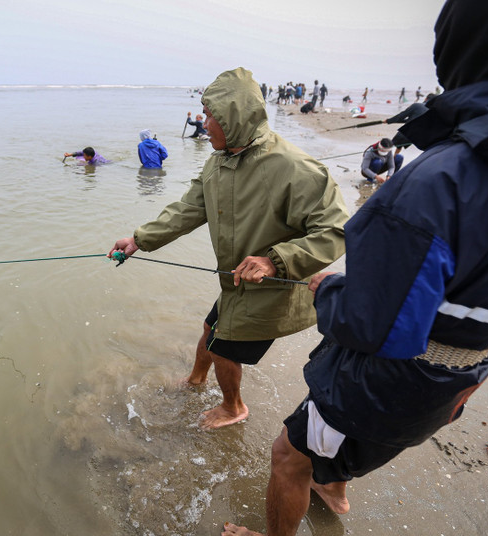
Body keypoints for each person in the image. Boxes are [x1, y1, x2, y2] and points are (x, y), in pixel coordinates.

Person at [223, 0, 488, 534]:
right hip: (462, 379)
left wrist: (328, 292)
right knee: (345, 449)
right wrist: (478, 310)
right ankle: (335, 495)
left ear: (468, 40)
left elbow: (375, 329)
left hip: (387, 383)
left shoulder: (439, 184)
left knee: (290, 455)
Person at [110, 67, 348, 430]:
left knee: (223, 347)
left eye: (209, 115)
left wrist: (275, 261)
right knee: (210, 328)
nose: (204, 123)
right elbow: (188, 209)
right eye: (204, 114)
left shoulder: (295, 167)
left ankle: (234, 407)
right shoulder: (218, 163)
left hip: (272, 287)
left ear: (232, 117)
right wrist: (139, 240)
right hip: (236, 282)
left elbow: (335, 230)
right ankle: (195, 380)